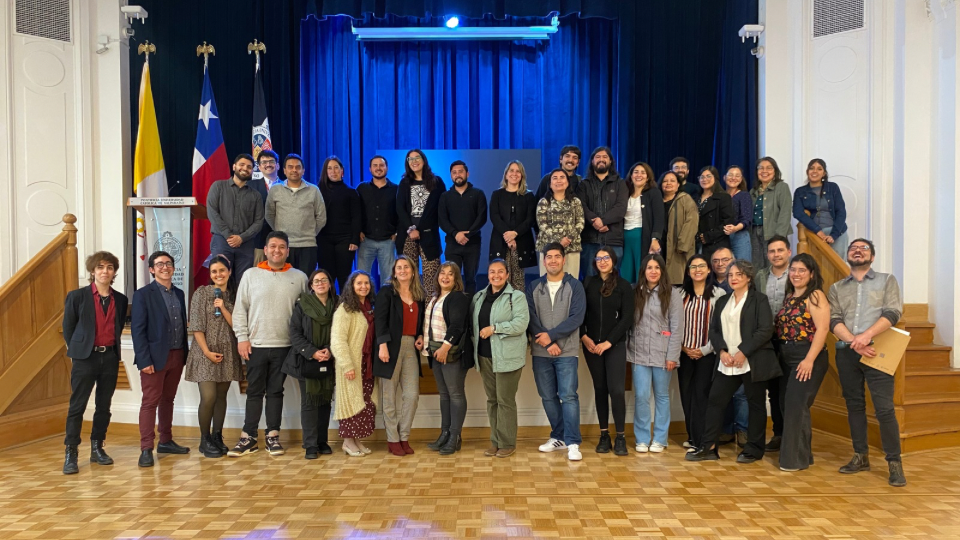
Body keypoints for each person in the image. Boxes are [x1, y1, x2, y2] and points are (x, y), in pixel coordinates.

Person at [828, 238, 906, 486]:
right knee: (854, 405)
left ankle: (894, 463)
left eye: (864, 248)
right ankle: (860, 456)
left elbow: (893, 312)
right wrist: (855, 341)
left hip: (878, 351)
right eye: (853, 248)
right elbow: (834, 319)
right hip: (847, 353)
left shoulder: (887, 280)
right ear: (848, 255)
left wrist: (866, 336)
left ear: (872, 257)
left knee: (884, 409)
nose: (857, 251)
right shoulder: (837, 288)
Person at [687, 260, 781, 463]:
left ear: (748, 277)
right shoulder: (723, 301)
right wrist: (721, 351)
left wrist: (743, 352)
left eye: (739, 274)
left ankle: (754, 449)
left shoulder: (759, 300)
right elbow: (714, 330)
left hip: (752, 361)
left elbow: (765, 330)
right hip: (726, 361)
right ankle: (709, 447)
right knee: (715, 401)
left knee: (755, 404)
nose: (734, 278)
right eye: (730, 275)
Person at [229, 231, 308, 458]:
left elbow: (304, 313)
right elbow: (240, 309)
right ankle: (249, 437)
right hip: (255, 344)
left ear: (288, 251)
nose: (277, 250)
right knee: (254, 391)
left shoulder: (299, 277)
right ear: (265, 250)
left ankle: (273, 436)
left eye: (282, 247)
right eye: (272, 246)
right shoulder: (250, 275)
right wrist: (242, 338)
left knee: (275, 391)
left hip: (285, 346)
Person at [61, 251, 128, 474]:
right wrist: (80, 350)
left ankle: (97, 448)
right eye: (100, 267)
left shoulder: (121, 299)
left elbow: (118, 326)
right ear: (92, 271)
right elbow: (69, 328)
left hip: (109, 357)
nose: (104, 271)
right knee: (77, 406)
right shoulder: (77, 296)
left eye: (109, 267)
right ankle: (71, 452)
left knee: (104, 406)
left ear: (114, 272)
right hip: (85, 358)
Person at [527, 243, 587, 461]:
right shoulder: (534, 286)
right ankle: (558, 436)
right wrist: (546, 342)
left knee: (568, 396)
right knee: (547, 396)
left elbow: (576, 317)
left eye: (557, 257)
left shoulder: (575, 286)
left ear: (564, 260)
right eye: (549, 257)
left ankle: (573, 442)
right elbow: (530, 317)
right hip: (541, 352)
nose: (553, 260)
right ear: (544, 261)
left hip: (567, 351)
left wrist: (551, 337)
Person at [131, 251, 190, 467]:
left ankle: (166, 440)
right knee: (150, 402)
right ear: (151, 269)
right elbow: (138, 330)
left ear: (173, 268)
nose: (165, 267)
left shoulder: (179, 293)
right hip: (153, 359)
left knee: (168, 400)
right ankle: (146, 448)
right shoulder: (143, 295)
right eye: (159, 264)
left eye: (168, 263)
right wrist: (144, 360)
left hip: (177, 355)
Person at [775, 254, 830, 472]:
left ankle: (793, 461)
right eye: (793, 270)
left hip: (807, 355)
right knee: (788, 404)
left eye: (801, 270)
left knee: (796, 405)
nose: (796, 274)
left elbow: (823, 329)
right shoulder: (790, 296)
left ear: (811, 274)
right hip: (786, 355)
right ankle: (803, 455)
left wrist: (809, 360)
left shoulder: (815, 295)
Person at [185, 255, 242, 458]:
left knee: (221, 396)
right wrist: (207, 352)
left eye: (222, 270)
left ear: (229, 272)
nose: (218, 274)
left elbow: (237, 326)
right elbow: (196, 326)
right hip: (204, 351)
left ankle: (217, 436)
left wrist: (223, 307)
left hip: (227, 351)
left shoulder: (235, 296)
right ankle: (205, 439)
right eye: (214, 271)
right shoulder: (201, 293)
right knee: (208, 396)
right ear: (210, 274)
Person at [472, 259, 530, 458]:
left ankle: (507, 443)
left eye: (500, 272)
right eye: (492, 272)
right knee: (492, 400)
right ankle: (495, 442)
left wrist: (495, 328)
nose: (495, 275)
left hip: (508, 357)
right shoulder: (479, 297)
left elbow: (521, 324)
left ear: (507, 275)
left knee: (505, 400)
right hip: (485, 357)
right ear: (488, 274)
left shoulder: (517, 297)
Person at [580, 247, 634, 455]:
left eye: (606, 258)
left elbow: (627, 318)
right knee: (600, 389)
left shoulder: (623, 285)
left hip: (614, 346)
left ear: (613, 260)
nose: (602, 261)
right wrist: (584, 336)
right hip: (591, 346)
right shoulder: (588, 283)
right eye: (599, 258)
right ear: (594, 262)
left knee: (617, 390)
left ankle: (620, 436)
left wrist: (608, 342)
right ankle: (604, 435)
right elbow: (580, 313)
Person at [627, 254, 683, 453]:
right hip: (639, 353)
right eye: (649, 268)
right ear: (643, 271)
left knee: (661, 396)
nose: (653, 271)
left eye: (657, 267)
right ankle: (642, 439)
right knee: (641, 396)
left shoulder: (673, 294)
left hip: (663, 354)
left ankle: (660, 439)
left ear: (662, 271)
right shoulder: (634, 292)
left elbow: (677, 328)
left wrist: (672, 356)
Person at [283, 268, 339, 459]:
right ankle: (310, 445)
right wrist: (313, 352)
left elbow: (341, 331)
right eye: (316, 281)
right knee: (309, 402)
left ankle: (322, 441)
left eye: (324, 280)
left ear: (330, 284)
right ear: (311, 286)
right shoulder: (302, 305)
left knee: (325, 401)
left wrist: (330, 350)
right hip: (306, 360)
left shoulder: (338, 304)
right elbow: (294, 333)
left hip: (329, 359)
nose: (320, 283)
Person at [374, 256, 425, 456]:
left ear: (413, 271)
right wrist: (382, 346)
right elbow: (380, 320)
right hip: (389, 348)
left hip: (411, 348)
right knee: (389, 398)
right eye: (399, 268)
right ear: (394, 272)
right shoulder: (387, 292)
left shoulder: (419, 294)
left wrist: (420, 336)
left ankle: (404, 436)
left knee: (412, 396)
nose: (402, 270)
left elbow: (421, 322)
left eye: (406, 267)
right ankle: (393, 439)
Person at [677, 254, 726, 452]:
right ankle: (692, 436)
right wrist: (683, 347)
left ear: (708, 270)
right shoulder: (679, 294)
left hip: (707, 354)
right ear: (688, 271)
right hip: (684, 353)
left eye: (701, 266)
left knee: (702, 396)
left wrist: (704, 350)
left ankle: (702, 441)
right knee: (686, 395)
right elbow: (673, 323)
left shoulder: (719, 294)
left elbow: (721, 327)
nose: (697, 270)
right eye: (693, 267)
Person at [423, 262, 472, 455]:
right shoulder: (435, 297)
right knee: (444, 395)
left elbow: (457, 326)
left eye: (450, 274)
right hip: (435, 352)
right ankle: (444, 433)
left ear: (456, 278)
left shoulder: (458, 297)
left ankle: (455, 436)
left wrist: (445, 347)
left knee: (455, 394)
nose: (445, 277)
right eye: (442, 273)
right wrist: (422, 340)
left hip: (451, 353)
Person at [331, 271, 378, 456]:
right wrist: (347, 365)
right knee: (350, 402)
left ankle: (356, 440)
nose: (363, 286)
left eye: (366, 283)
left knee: (363, 402)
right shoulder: (345, 309)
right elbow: (337, 340)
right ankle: (347, 442)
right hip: (351, 365)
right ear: (351, 286)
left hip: (367, 365)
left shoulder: (369, 308)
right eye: (359, 283)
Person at [755, 236, 792, 452]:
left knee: (789, 390)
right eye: (772, 251)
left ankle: (791, 435)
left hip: (791, 339)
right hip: (767, 340)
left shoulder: (797, 274)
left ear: (789, 252)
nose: (776, 255)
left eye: (780, 250)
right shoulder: (760, 276)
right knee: (774, 390)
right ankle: (778, 434)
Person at [264, 153, 327, 275]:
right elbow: (269, 215)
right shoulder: (275, 189)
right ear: (284, 170)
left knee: (305, 281)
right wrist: (279, 232)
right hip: (283, 245)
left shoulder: (314, 190)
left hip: (308, 245)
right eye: (290, 167)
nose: (294, 170)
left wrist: (309, 233)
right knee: (284, 281)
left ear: (303, 170)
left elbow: (321, 217)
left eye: (298, 167)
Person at [206, 153, 264, 279]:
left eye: (249, 167)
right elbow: (212, 213)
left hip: (246, 244)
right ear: (234, 167)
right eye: (241, 165)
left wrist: (241, 238)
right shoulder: (218, 186)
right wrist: (228, 235)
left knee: (243, 282)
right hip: (221, 241)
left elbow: (259, 221)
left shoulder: (256, 195)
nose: (245, 168)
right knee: (220, 279)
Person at [577, 147, 628, 278]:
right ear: (592, 161)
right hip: (589, 240)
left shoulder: (620, 183)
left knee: (612, 280)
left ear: (610, 161)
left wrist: (603, 221)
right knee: (589, 280)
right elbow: (581, 207)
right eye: (598, 157)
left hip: (613, 240)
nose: (601, 159)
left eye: (605, 157)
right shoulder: (584, 184)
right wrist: (595, 222)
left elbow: (621, 208)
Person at [438, 160, 487, 293]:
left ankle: (470, 305)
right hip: (452, 244)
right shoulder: (445, 196)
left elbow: (482, 217)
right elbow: (442, 220)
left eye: (460, 171)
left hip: (473, 244)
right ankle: (454, 305)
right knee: (452, 279)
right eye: (454, 172)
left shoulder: (478, 194)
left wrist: (468, 234)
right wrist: (456, 234)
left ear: (467, 174)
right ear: (451, 176)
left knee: (471, 279)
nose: (457, 175)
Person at [489, 160, 537, 291]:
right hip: (500, 241)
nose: (514, 174)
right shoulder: (497, 195)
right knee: (500, 278)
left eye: (518, 171)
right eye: (511, 171)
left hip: (521, 242)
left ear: (522, 175)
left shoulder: (528, 196)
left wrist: (515, 233)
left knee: (518, 280)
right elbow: (494, 216)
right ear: (506, 174)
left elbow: (530, 219)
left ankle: (517, 303)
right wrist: (508, 236)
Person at [317, 156, 361, 293]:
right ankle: (328, 304)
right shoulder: (317, 191)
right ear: (325, 171)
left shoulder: (351, 192)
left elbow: (356, 218)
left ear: (342, 171)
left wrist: (354, 239)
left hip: (345, 240)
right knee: (327, 276)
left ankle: (345, 304)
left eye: (336, 168)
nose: (333, 171)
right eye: (329, 168)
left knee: (344, 276)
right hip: (323, 239)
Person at [793, 158, 848, 259]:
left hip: (836, 232)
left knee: (838, 263)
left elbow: (841, 212)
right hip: (814, 233)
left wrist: (834, 235)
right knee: (814, 263)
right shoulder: (800, 191)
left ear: (824, 173)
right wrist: (817, 230)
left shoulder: (832, 187)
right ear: (807, 171)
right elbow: (798, 212)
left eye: (819, 169)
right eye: (812, 168)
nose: (815, 171)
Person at [357, 155, 398, 287]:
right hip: (366, 240)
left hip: (388, 241)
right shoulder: (362, 188)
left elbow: (401, 212)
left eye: (381, 165)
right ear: (370, 169)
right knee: (361, 278)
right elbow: (356, 212)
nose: (378, 168)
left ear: (387, 168)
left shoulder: (396, 189)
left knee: (389, 280)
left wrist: (397, 232)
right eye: (375, 165)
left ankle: (385, 301)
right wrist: (358, 231)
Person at [535, 168, 584, 277]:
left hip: (571, 247)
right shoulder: (544, 202)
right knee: (548, 282)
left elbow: (580, 222)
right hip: (548, 248)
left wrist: (568, 239)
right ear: (550, 184)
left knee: (571, 282)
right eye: (555, 178)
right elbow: (542, 225)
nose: (559, 180)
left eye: (562, 177)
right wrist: (559, 242)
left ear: (567, 182)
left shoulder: (575, 201)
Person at [622, 162, 665, 284]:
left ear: (648, 177)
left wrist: (655, 239)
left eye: (643, 172)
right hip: (624, 238)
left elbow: (659, 217)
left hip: (642, 237)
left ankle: (641, 296)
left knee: (641, 272)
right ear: (631, 175)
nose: (639, 175)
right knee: (625, 273)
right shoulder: (625, 193)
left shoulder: (653, 193)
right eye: (636, 172)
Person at [750, 157, 793, 269]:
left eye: (769, 168)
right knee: (757, 267)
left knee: (774, 265)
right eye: (761, 168)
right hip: (755, 233)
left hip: (773, 232)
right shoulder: (753, 191)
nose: (764, 171)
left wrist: (779, 237)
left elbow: (785, 213)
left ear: (775, 171)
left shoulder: (781, 187)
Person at [661, 171, 699, 285]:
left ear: (678, 184)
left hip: (678, 246)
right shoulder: (656, 200)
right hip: (660, 245)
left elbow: (692, 221)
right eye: (665, 181)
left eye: (672, 181)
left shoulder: (685, 199)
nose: (668, 183)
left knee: (677, 280)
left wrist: (682, 244)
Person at [696, 166, 736, 260]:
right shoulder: (695, 198)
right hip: (697, 243)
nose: (705, 179)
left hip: (716, 243)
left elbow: (727, 222)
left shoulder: (723, 197)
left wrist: (708, 236)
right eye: (702, 177)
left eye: (708, 176)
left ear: (715, 178)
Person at [252, 150, 280, 265]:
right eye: (264, 162)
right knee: (259, 272)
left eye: (271, 161)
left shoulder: (286, 186)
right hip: (258, 241)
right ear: (259, 167)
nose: (268, 164)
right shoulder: (250, 186)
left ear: (277, 165)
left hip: (281, 240)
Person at [723, 166, 753, 262]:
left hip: (739, 236)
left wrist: (735, 228)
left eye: (737, 176)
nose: (733, 178)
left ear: (741, 179)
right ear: (724, 177)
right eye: (730, 175)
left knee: (742, 266)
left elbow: (747, 219)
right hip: (722, 236)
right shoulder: (720, 196)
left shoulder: (744, 195)